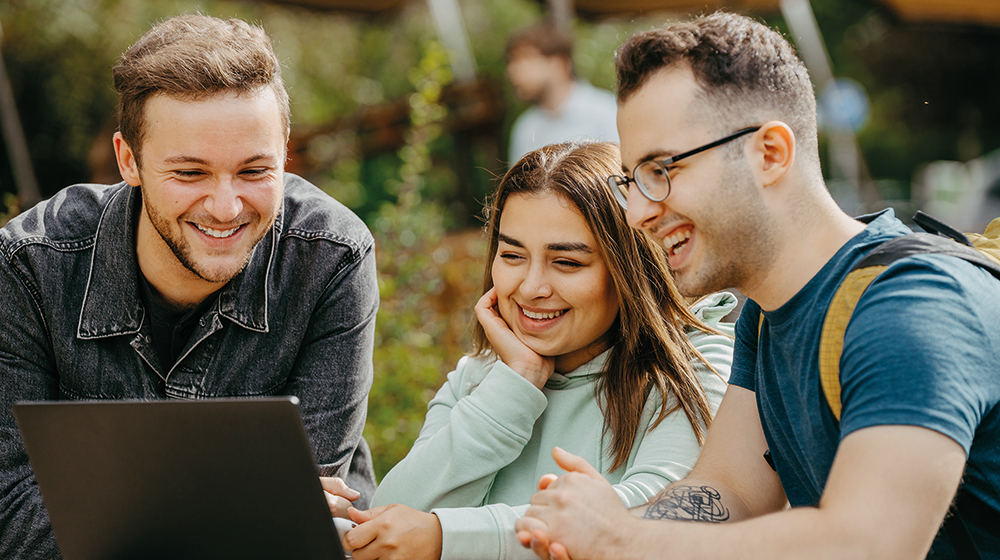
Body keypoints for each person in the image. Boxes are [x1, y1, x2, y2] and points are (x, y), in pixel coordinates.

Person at [514, 11, 1000, 560]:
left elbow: (868, 542)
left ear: (770, 153)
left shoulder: (913, 303)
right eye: (632, 181)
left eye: (661, 171)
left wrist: (623, 537)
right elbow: (731, 493)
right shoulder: (767, 315)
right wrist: (592, 525)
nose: (636, 214)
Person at [0, 14, 379, 558]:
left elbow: (305, 518)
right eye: (189, 173)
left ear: (285, 154)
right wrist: (245, 509)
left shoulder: (333, 258)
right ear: (128, 160)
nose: (226, 208)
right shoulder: (28, 268)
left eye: (253, 171)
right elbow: (13, 517)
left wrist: (119, 517)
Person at [323, 140, 736, 560]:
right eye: (513, 255)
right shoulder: (481, 377)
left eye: (567, 263)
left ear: (628, 269)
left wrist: (446, 538)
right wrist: (517, 382)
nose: (531, 288)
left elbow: (654, 513)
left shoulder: (696, 365)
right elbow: (392, 516)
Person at [505, 24, 619, 165]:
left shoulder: (605, 111)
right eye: (512, 62)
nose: (513, 71)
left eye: (525, 58)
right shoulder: (525, 128)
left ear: (559, 63)